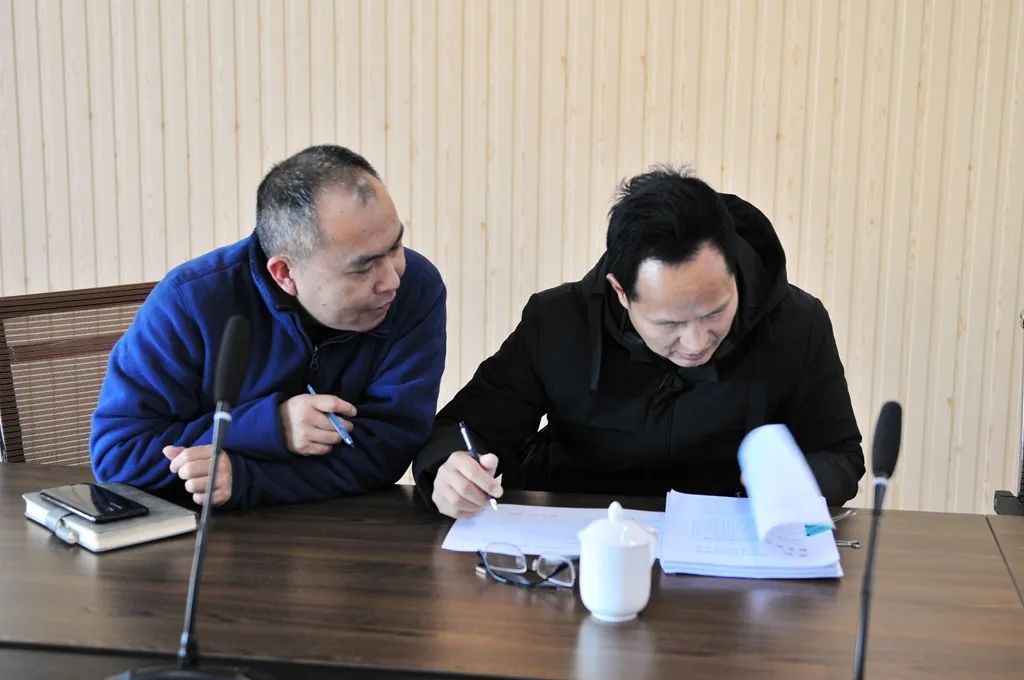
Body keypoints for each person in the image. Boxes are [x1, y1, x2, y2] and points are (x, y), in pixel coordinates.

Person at [414, 167, 863, 518]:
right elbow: (467, 428)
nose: (696, 342)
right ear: (621, 293)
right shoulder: (558, 322)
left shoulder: (797, 324)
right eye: (669, 323)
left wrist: (791, 482)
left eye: (715, 312)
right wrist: (452, 470)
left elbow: (839, 454)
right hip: (579, 539)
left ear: (733, 275)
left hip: (729, 548)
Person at [91, 145, 446, 510]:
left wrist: (248, 478)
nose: (391, 280)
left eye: (395, 246)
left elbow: (386, 450)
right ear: (284, 273)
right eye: (362, 268)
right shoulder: (191, 301)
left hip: (345, 527)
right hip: (204, 532)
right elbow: (119, 457)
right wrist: (270, 426)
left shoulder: (417, 289)